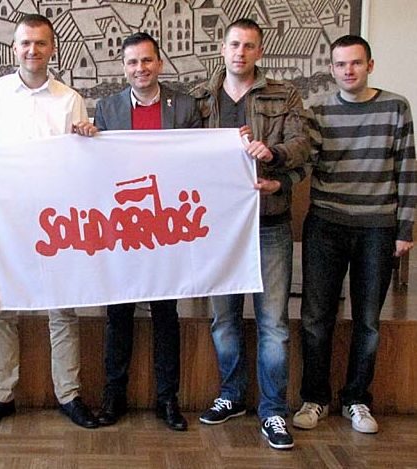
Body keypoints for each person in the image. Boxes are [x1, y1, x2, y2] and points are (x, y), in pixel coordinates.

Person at [0, 14, 98, 429]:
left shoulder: (69, 99)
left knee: (62, 309)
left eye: (41, 43)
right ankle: (1, 394)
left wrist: (87, 139)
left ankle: (69, 394)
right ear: (15, 47)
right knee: (2, 309)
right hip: (5, 222)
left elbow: (80, 164)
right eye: (25, 42)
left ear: (52, 48)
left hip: (56, 223)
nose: (32, 50)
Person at [193, 18, 309, 450]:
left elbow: (302, 145)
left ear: (259, 51)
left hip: (269, 223)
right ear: (222, 49)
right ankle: (232, 395)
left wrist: (272, 155)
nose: (240, 52)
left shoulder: (285, 94)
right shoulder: (201, 99)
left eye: (249, 46)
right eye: (234, 45)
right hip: (217, 228)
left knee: (273, 324)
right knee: (223, 320)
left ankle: (273, 410)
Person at [293, 35, 415, 435]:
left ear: (370, 66)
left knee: (367, 321)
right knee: (315, 318)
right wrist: (273, 175)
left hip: (377, 228)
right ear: (331, 69)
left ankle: (356, 400)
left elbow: (407, 170)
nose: (349, 70)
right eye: (341, 64)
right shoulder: (317, 111)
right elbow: (303, 163)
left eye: (356, 63)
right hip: (325, 225)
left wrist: (405, 229)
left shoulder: (396, 107)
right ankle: (315, 398)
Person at [92, 32, 201, 432]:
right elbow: (97, 165)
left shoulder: (185, 106)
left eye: (147, 60)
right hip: (123, 228)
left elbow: (199, 160)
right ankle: (114, 396)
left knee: (165, 314)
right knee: (118, 314)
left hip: (167, 227)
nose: (140, 68)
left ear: (160, 63)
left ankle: (167, 399)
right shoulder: (107, 108)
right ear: (124, 67)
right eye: (133, 62)